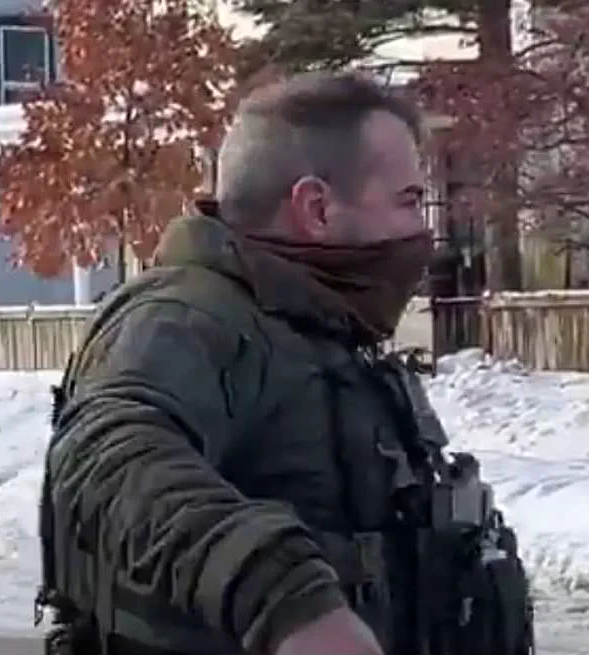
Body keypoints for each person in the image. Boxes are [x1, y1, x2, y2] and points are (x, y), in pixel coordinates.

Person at [40, 71, 531, 655]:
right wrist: (286, 599)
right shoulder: (185, 318)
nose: (420, 231)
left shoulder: (317, 329)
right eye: (408, 201)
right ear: (317, 208)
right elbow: (106, 459)